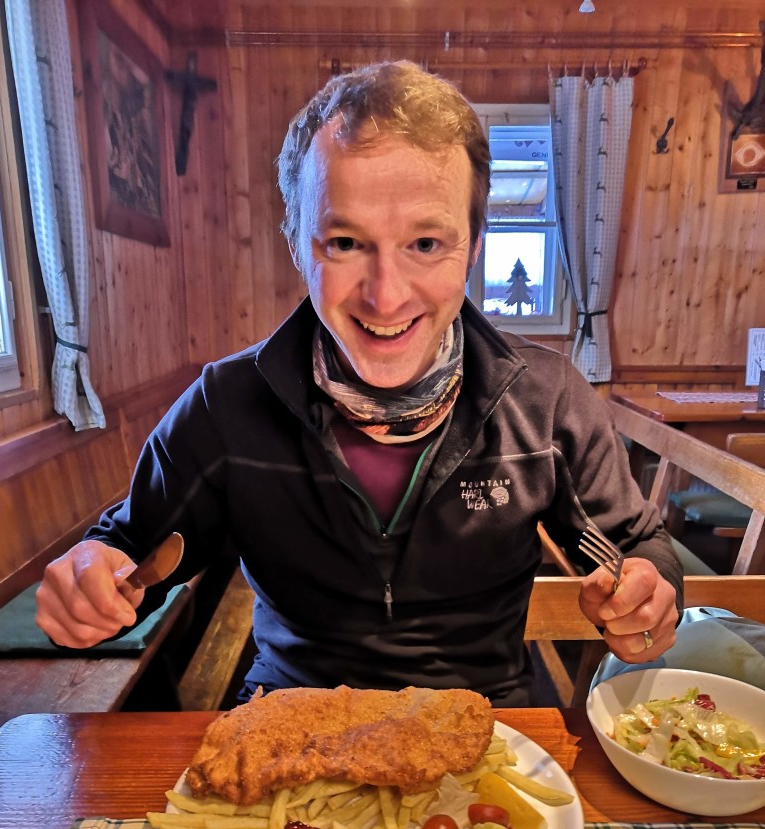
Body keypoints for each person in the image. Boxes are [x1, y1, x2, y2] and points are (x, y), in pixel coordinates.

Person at [36, 61, 682, 707]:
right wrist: (90, 586)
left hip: (485, 721)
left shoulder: (548, 401)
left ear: (474, 248)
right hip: (289, 722)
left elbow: (633, 546)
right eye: (345, 242)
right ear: (297, 242)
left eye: (426, 244)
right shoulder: (224, 407)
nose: (386, 295)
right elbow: (128, 552)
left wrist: (647, 595)